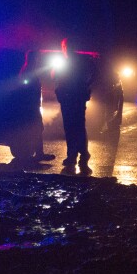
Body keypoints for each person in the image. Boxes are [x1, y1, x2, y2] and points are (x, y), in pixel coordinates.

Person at [54, 37, 94, 173]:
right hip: (72, 98)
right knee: (76, 127)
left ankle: (78, 156)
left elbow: (59, 79)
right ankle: (76, 156)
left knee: (74, 127)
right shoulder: (81, 62)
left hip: (72, 98)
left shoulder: (74, 63)